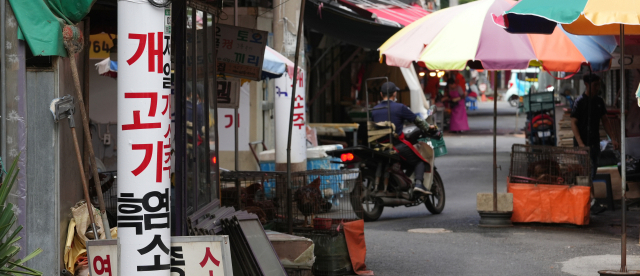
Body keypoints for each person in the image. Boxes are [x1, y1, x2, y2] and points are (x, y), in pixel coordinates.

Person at [371, 82, 435, 195]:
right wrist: (428, 127)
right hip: (396, 146)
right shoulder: (400, 107)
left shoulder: (374, 110)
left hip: (379, 147)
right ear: (395, 93)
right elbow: (418, 121)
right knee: (420, 161)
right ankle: (419, 184)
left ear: (381, 94)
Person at [571, 74, 619, 213]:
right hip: (582, 143)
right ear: (586, 84)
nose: (598, 88)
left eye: (599, 85)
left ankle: (589, 201)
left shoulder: (599, 101)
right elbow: (573, 123)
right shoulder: (579, 102)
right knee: (587, 171)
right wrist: (580, 144)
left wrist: (613, 138)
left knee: (592, 171)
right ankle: (591, 201)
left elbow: (605, 121)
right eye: (595, 85)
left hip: (594, 143)